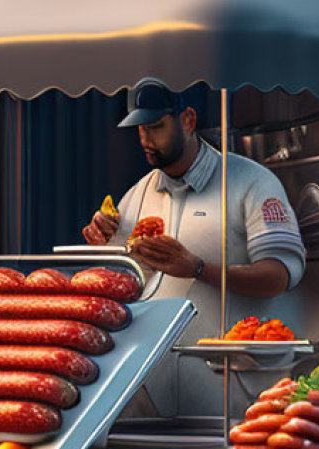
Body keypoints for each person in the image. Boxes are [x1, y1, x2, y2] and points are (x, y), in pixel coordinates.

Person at [82, 78, 306, 415]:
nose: (145, 140)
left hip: (234, 401)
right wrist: (101, 244)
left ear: (187, 120)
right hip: (150, 400)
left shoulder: (252, 183)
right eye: (140, 128)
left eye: (156, 126)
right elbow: (121, 287)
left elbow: (281, 274)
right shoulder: (135, 196)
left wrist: (199, 269)